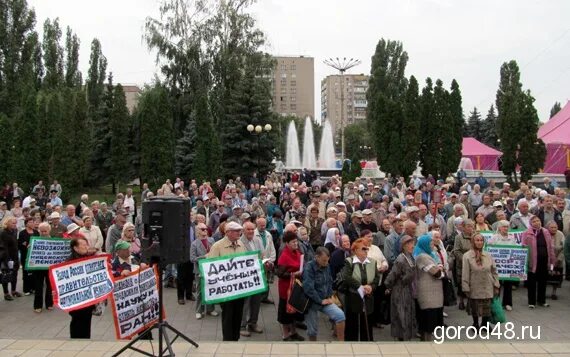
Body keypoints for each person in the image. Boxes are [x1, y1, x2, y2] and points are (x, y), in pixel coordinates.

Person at [207, 221, 247, 341]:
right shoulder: (217, 246)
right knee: (228, 316)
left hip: (239, 288)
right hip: (225, 290)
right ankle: (228, 341)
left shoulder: (241, 244)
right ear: (228, 232)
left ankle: (236, 339)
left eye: (240, 231)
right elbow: (210, 268)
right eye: (236, 231)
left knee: (238, 315)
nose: (239, 233)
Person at [341, 238, 380, 341]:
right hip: (353, 297)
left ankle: (367, 343)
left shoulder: (372, 262)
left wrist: (371, 287)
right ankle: (351, 345)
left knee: (367, 324)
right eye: (363, 248)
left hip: (368, 296)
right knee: (352, 323)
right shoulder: (349, 261)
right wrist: (360, 287)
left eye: (367, 248)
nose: (366, 250)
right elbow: (347, 277)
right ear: (355, 250)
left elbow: (376, 278)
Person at [303, 247, 346, 341]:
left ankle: (341, 344)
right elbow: (308, 289)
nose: (326, 263)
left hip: (325, 299)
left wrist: (330, 296)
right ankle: (313, 350)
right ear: (316, 257)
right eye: (324, 261)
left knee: (340, 315)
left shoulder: (326, 265)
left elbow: (329, 281)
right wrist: (320, 301)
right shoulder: (309, 268)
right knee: (312, 330)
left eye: (327, 261)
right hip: (311, 302)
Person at [462, 232, 500, 329]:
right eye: (477, 240)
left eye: (481, 240)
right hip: (474, 285)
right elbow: (465, 273)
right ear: (473, 242)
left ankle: (484, 324)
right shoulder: (467, 256)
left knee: (487, 306)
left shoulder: (488, 255)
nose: (479, 242)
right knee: (475, 306)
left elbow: (494, 271)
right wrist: (465, 287)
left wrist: (496, 284)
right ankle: (475, 324)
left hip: (487, 285)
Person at [384, 235, 416, 341]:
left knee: (408, 314)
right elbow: (392, 276)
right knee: (401, 315)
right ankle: (401, 339)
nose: (412, 246)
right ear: (403, 246)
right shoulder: (401, 259)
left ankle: (407, 337)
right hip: (400, 290)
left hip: (408, 290)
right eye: (409, 244)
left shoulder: (410, 257)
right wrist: (388, 286)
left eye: (412, 243)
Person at [414, 233, 444, 341]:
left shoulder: (430, 254)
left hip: (433, 294)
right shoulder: (422, 257)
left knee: (430, 322)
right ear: (425, 244)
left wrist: (440, 267)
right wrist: (441, 269)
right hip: (427, 295)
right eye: (430, 242)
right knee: (428, 322)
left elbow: (440, 265)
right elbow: (437, 273)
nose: (433, 244)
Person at [276, 231, 305, 341]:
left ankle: (293, 332)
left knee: (294, 311)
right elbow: (280, 274)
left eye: (296, 242)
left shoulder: (296, 252)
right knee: (285, 313)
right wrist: (293, 274)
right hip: (286, 288)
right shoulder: (284, 256)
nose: (295, 244)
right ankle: (285, 334)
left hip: (296, 286)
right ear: (287, 243)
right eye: (293, 242)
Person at [522, 215, 556, 308]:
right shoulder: (526, 233)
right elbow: (523, 247)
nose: (537, 223)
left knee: (543, 282)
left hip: (544, 261)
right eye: (534, 221)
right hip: (532, 262)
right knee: (532, 283)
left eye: (538, 220)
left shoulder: (545, 232)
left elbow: (551, 247)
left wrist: (552, 263)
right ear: (530, 223)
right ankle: (531, 302)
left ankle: (542, 300)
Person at [239, 221, 265, 336]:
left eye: (252, 229)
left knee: (256, 301)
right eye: (248, 229)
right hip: (245, 277)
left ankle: (253, 323)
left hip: (257, 275)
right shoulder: (240, 242)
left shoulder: (257, 240)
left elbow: (262, 254)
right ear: (243, 231)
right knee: (245, 302)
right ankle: (242, 325)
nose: (250, 231)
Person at [67, 236, 96, 338]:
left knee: (87, 321)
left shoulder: (87, 258)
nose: (86, 247)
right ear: (75, 248)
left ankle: (85, 339)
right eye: (83, 245)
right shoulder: (70, 262)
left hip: (87, 299)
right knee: (78, 321)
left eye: (86, 244)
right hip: (76, 300)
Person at [190, 222, 217, 319]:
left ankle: (210, 309)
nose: (205, 230)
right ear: (197, 231)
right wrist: (203, 257)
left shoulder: (212, 240)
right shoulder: (194, 244)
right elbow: (192, 258)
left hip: (211, 270)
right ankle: (199, 310)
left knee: (211, 289)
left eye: (205, 229)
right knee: (200, 291)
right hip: (200, 271)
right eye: (202, 229)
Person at [489, 220, 516, 310]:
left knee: (508, 284)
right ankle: (496, 303)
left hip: (508, 266)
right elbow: (489, 250)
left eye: (507, 227)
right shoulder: (494, 238)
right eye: (504, 226)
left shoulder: (512, 238)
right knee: (497, 284)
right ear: (499, 228)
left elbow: (515, 250)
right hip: (497, 266)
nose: (505, 228)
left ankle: (507, 303)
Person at [453, 219, 475, 310]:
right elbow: (456, 251)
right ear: (463, 227)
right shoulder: (459, 237)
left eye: (472, 226)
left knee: (472, 283)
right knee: (462, 283)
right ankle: (461, 301)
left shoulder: (475, 236)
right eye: (468, 226)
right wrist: (465, 259)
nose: (471, 228)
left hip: (474, 263)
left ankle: (470, 302)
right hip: (462, 263)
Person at [33, 222, 54, 312]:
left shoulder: (54, 241)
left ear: (49, 231)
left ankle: (49, 303)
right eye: (41, 231)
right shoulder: (35, 240)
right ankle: (37, 305)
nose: (43, 233)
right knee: (38, 286)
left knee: (49, 286)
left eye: (45, 231)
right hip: (38, 268)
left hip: (49, 268)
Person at [1, 217, 21, 300]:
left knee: (14, 274)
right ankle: (6, 293)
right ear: (7, 223)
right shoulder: (3, 233)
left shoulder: (14, 231)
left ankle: (13, 291)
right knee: (5, 275)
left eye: (15, 223)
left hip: (15, 256)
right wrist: (7, 259)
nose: (14, 224)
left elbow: (15, 243)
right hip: (6, 257)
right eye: (13, 223)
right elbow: (3, 247)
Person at [17, 216, 38, 295]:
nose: (32, 223)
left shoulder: (36, 232)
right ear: (26, 224)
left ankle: (34, 287)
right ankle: (27, 289)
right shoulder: (22, 233)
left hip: (34, 256)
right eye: (30, 222)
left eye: (33, 222)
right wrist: (25, 246)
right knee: (26, 272)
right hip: (25, 255)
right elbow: (20, 244)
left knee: (34, 272)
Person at [545, 220, 564, 300]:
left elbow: (564, 248)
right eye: (552, 227)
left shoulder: (560, 234)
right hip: (547, 259)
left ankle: (554, 292)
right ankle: (543, 292)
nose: (553, 229)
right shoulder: (545, 233)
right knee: (546, 275)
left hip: (558, 258)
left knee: (557, 276)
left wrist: (559, 259)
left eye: (555, 227)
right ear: (547, 228)